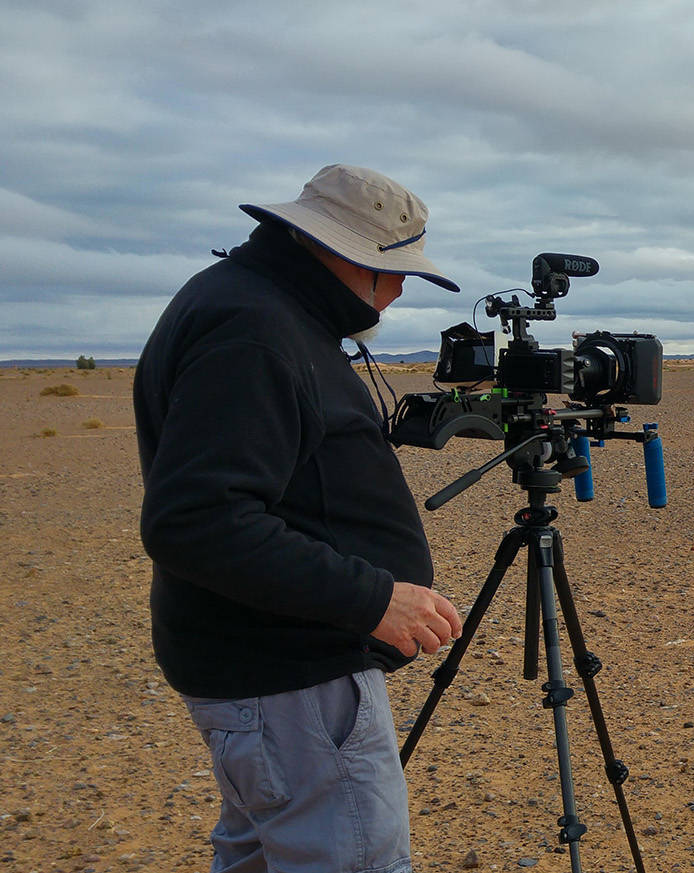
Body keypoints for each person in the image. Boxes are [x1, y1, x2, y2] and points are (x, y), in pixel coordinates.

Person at [133, 164, 464, 873]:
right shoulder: (254, 330)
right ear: (342, 253)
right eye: (393, 269)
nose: (402, 287)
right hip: (291, 681)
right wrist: (375, 598)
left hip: (264, 676)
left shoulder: (256, 306)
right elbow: (196, 519)